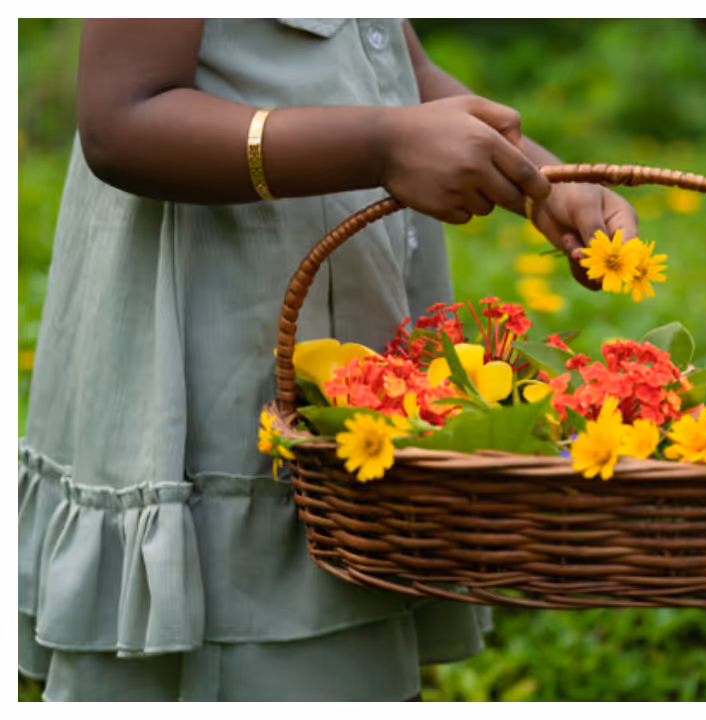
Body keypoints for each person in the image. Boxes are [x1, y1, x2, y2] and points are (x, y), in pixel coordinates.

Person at [17, 18, 637, 702]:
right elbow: (124, 121)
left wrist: (542, 178)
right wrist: (379, 146)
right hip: (211, 386)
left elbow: (395, 64)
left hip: (341, 373)